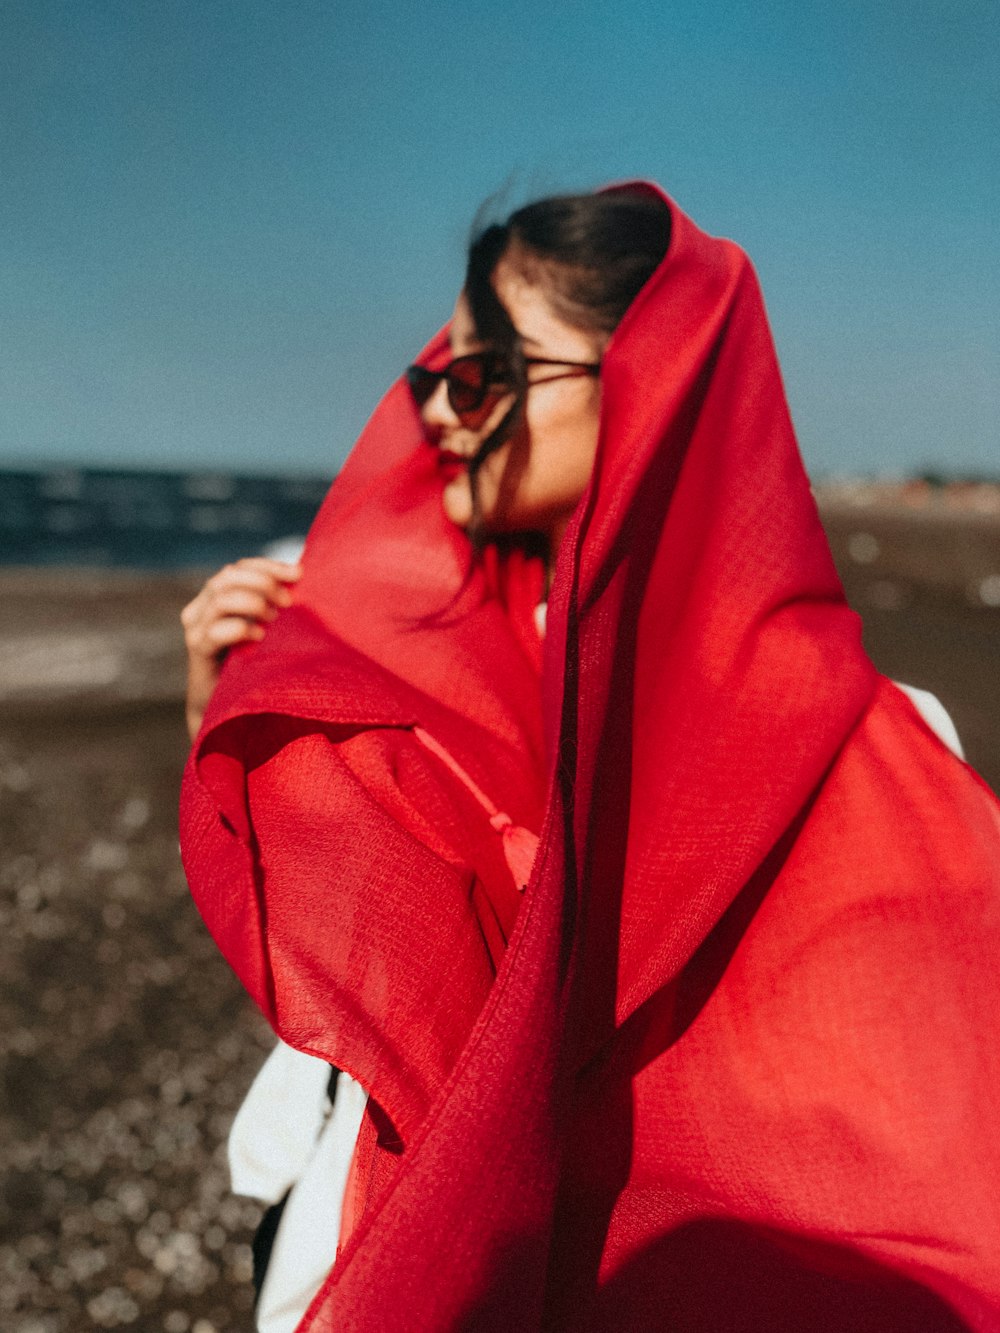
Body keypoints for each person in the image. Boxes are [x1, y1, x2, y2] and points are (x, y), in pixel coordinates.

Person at [180, 183, 1000, 1331]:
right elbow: (372, 962)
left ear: (646, 383)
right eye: (432, 379)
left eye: (482, 379)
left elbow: (892, 1126)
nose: (438, 417)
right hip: (367, 1209)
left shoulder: (872, 753)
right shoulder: (434, 653)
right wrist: (240, 726)